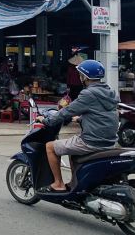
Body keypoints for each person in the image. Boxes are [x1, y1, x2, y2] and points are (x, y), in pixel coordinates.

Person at [37, 60, 119, 193]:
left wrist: (47, 120)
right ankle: (76, 184)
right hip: (109, 141)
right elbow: (102, 114)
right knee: (71, 149)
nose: (79, 77)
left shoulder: (88, 94)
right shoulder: (109, 92)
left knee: (50, 147)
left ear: (85, 77)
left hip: (92, 141)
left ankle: (58, 183)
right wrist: (81, 119)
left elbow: (66, 111)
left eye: (80, 74)